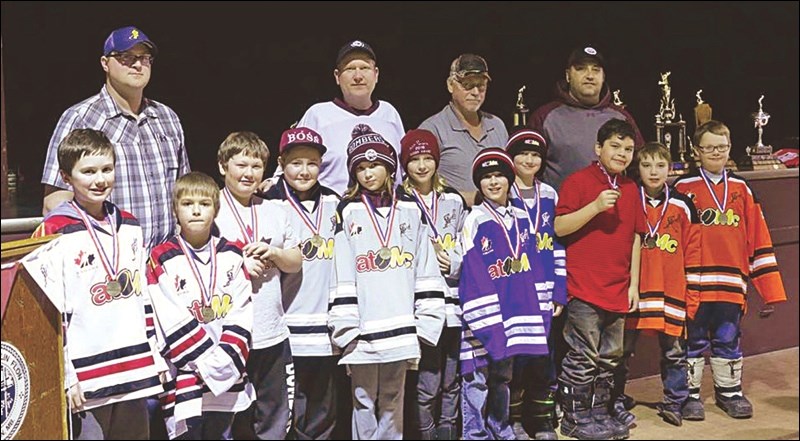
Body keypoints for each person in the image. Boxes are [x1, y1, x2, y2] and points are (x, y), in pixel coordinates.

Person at [30, 129, 168, 440]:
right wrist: (66, 375)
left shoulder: (131, 225)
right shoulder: (54, 230)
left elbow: (141, 296)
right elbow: (49, 310)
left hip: (132, 363)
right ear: (66, 177)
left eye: (107, 169)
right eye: (88, 171)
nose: (99, 179)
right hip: (85, 372)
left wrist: (154, 354)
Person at [329, 126, 445, 439]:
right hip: (362, 327)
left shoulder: (409, 208)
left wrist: (428, 317)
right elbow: (341, 271)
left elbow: (425, 265)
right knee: (363, 400)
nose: (368, 174)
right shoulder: (348, 211)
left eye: (375, 165)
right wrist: (346, 324)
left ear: (390, 167)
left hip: (402, 325)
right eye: (361, 168)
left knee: (394, 398)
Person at [673, 120, 787, 421]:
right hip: (694, 283)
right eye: (709, 147)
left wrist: (768, 286)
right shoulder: (682, 188)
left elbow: (758, 235)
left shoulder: (742, 188)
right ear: (697, 151)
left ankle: (730, 392)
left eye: (721, 147)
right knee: (694, 340)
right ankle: (690, 395)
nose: (715, 152)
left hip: (731, 282)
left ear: (730, 148)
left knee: (727, 337)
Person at [41, 25, 189, 252]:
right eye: (126, 57)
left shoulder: (168, 118)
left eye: (144, 57)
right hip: (111, 263)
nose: (138, 64)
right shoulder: (80, 118)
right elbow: (55, 200)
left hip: (166, 264)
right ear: (105, 63)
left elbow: (185, 191)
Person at [553, 119, 645, 440]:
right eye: (615, 146)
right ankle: (574, 417)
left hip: (618, 287)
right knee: (583, 354)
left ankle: (598, 413)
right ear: (598, 148)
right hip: (584, 287)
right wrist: (594, 206)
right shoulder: (578, 182)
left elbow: (636, 236)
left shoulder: (632, 188)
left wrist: (633, 284)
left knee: (610, 356)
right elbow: (560, 227)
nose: (622, 153)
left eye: (628, 149)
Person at [148, 172, 256, 440]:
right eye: (187, 203)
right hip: (185, 373)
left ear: (216, 209)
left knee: (222, 435)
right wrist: (207, 364)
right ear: (175, 209)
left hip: (227, 370)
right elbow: (166, 316)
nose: (196, 211)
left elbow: (241, 312)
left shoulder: (232, 253)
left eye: (204, 204)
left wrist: (223, 361)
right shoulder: (161, 257)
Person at [213, 132, 302, 440]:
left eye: (256, 166)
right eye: (241, 165)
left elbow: (296, 259)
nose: (249, 173)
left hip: (271, 329)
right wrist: (238, 266)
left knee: (274, 418)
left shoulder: (276, 210)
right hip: (226, 333)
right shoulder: (210, 211)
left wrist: (276, 253)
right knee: (228, 418)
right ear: (223, 167)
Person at [612, 142, 701, 428]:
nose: (653, 171)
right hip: (633, 290)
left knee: (674, 351)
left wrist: (693, 292)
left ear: (670, 167)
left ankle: (676, 399)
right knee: (621, 351)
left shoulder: (683, 204)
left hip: (670, 291)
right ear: (637, 167)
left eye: (660, 165)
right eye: (647, 165)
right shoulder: (627, 198)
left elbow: (694, 251)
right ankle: (614, 399)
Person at [261, 127, 342, 439]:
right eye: (296, 163)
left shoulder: (336, 203)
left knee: (324, 408)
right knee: (291, 408)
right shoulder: (268, 202)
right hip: (285, 326)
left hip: (326, 325)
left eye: (312, 163)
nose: (304, 170)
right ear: (281, 162)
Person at [396, 129, 468, 440]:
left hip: (453, 303)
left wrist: (454, 262)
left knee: (451, 382)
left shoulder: (452, 199)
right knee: (426, 383)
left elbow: (469, 246)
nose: (422, 166)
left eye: (428, 158)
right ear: (404, 164)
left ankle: (448, 433)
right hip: (421, 307)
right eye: (414, 159)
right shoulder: (399, 201)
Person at [504, 128, 567, 440]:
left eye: (535, 155)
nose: (529, 160)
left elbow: (556, 244)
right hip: (516, 294)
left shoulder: (551, 194)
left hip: (545, 293)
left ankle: (541, 420)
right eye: (522, 154)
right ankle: (513, 419)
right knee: (516, 360)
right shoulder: (502, 193)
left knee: (544, 359)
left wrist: (559, 290)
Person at [283, 40, 404, 196]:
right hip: (333, 213)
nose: (358, 76)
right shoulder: (318, 114)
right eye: (350, 69)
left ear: (376, 74)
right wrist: (273, 182)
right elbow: (291, 160)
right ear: (337, 76)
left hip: (388, 214)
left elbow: (406, 168)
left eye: (365, 68)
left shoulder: (389, 113)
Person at [530, 46, 644, 191]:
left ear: (603, 77)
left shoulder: (621, 117)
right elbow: (527, 167)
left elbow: (640, 165)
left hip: (610, 210)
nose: (590, 75)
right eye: (581, 68)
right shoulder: (545, 117)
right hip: (562, 211)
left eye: (596, 70)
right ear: (568, 75)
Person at [420, 54, 508, 205]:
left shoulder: (497, 125)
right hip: (454, 223)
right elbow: (421, 189)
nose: (475, 92)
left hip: (498, 222)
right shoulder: (432, 129)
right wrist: (479, 200)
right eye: (467, 85)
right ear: (450, 85)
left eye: (481, 85)